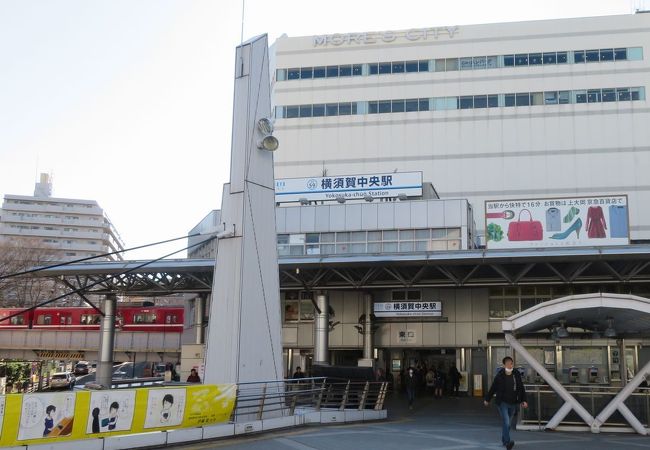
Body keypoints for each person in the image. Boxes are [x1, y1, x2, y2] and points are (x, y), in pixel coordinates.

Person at [484, 356, 528, 450]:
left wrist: (524, 400)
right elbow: (493, 388)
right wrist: (487, 399)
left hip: (513, 402)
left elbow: (521, 387)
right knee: (507, 422)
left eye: (511, 363)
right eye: (508, 363)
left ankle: (504, 441)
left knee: (506, 423)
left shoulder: (516, 374)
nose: (510, 365)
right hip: (502, 402)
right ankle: (508, 442)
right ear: (504, 365)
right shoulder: (500, 375)